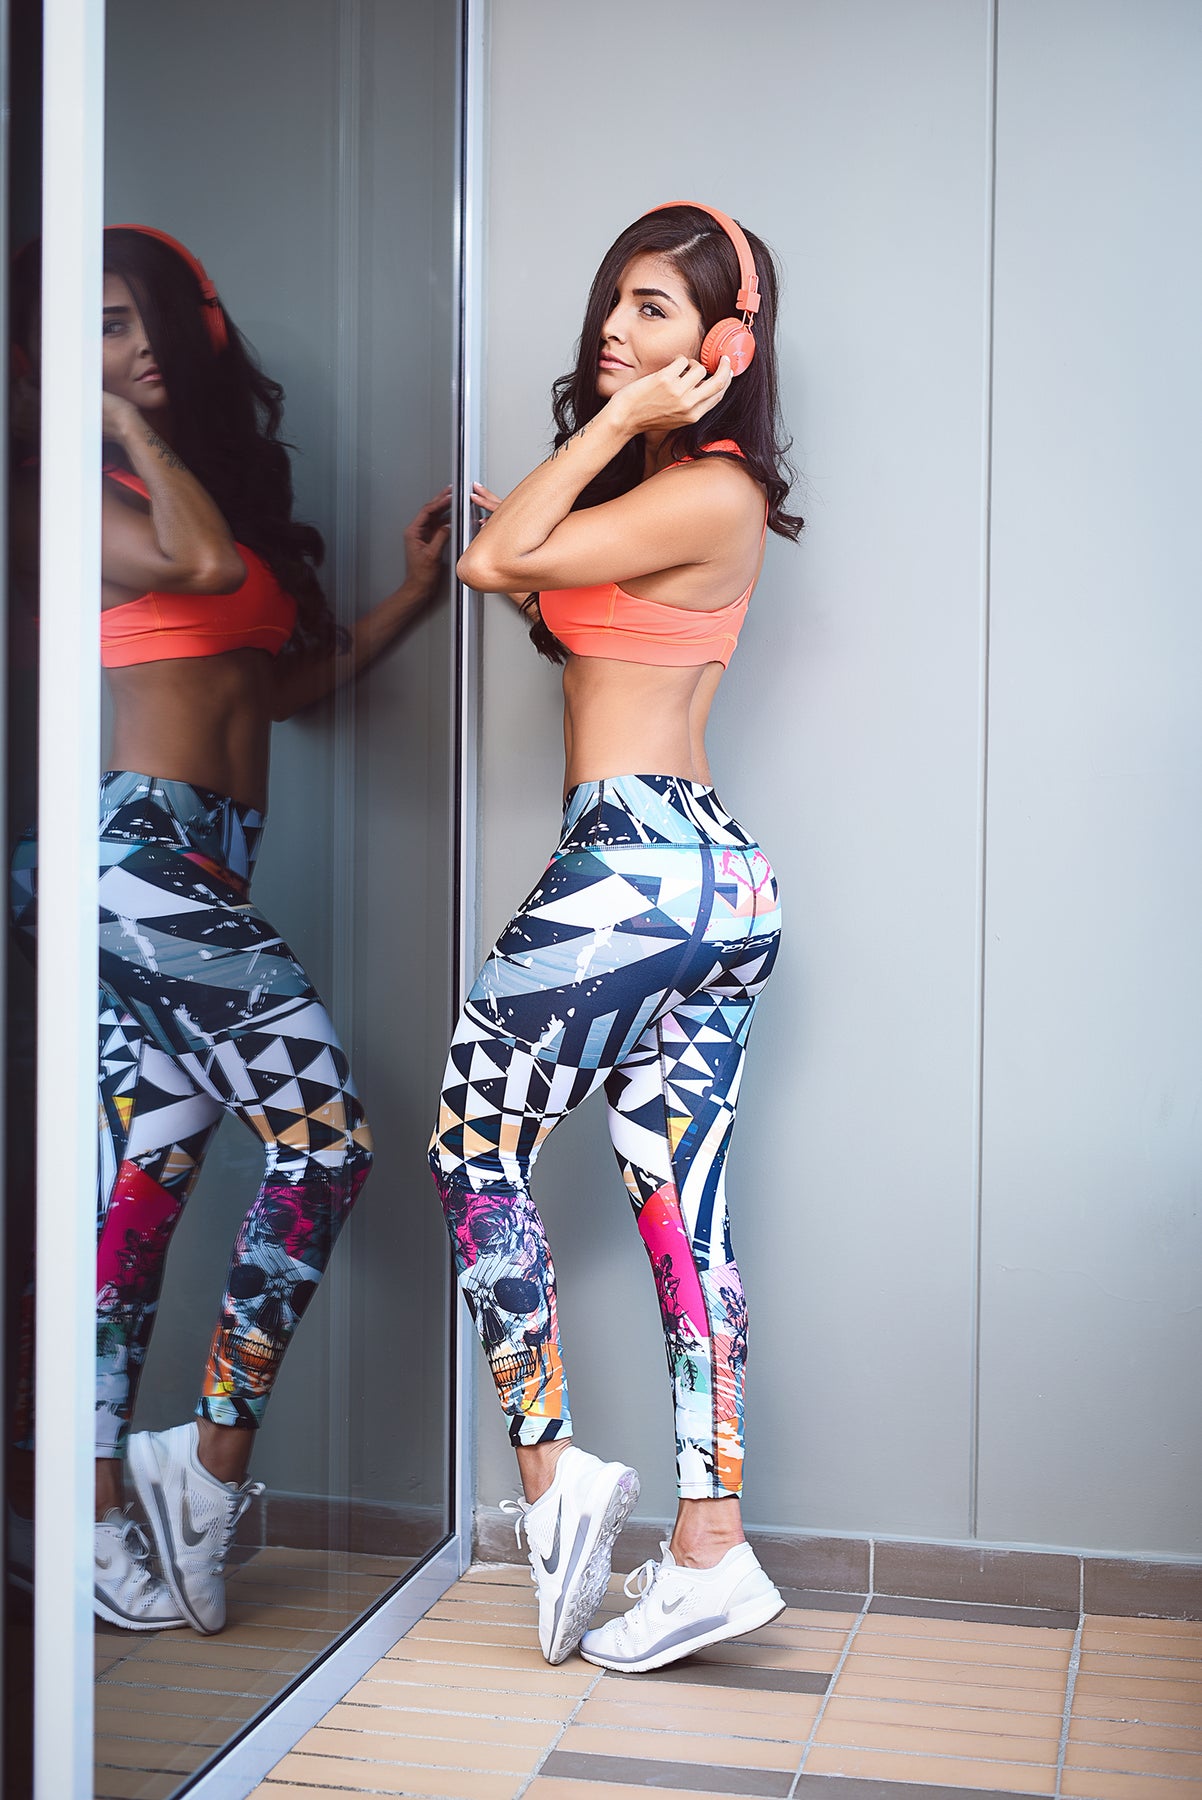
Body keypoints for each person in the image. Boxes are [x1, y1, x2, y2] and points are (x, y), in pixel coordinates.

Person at [9, 226, 449, 1634]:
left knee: (135, 1197)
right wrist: (115, 421)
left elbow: (277, 693)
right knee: (326, 1143)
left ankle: (74, 1513)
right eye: (99, 326)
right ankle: (201, 1470)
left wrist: (411, 598)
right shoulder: (69, 490)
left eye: (142, 320)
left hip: (206, 863)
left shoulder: (198, 491)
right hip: (131, 857)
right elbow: (199, 572)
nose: (131, 346)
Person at [430, 202, 802, 1671]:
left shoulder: (710, 487)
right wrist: (575, 475)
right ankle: (709, 1552)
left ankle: (554, 1480)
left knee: (471, 1150)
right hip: (705, 884)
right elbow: (523, 563)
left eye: (655, 310)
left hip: (635, 865)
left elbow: (495, 565)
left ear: (724, 348)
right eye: (613, 304)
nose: (616, 330)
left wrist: (610, 429)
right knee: (681, 1209)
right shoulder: (668, 496)